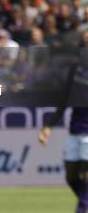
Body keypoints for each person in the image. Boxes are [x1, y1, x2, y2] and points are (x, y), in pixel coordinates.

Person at [39, 56, 88, 213]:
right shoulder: (76, 70)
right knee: (71, 177)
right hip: (75, 130)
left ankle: (82, 209)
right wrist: (48, 126)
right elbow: (64, 99)